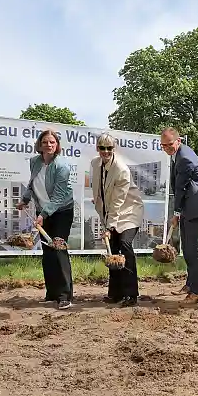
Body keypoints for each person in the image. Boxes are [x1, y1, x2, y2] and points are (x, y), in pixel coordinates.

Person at [17, 129, 75, 309]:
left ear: (57, 145)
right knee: (48, 253)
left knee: (58, 249)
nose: (48, 145)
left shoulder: (62, 166)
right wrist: (25, 199)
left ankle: (65, 295)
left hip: (62, 212)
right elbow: (32, 182)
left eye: (52, 142)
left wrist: (42, 215)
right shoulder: (35, 162)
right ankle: (52, 293)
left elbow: (59, 196)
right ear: (40, 145)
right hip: (43, 212)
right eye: (45, 142)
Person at [89, 132, 144, 305]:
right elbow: (99, 190)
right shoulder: (95, 163)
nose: (105, 151)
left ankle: (131, 294)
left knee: (125, 246)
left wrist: (109, 227)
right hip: (110, 212)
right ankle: (115, 293)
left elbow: (118, 201)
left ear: (114, 149)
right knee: (112, 249)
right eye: (102, 148)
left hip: (129, 212)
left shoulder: (121, 169)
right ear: (97, 149)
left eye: (109, 148)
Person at [161, 126, 198, 305]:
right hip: (189, 207)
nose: (167, 148)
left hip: (196, 208)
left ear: (178, 141)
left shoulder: (184, 159)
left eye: (169, 145)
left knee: (192, 250)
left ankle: (197, 291)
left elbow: (180, 189)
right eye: (163, 146)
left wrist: (176, 213)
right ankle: (190, 285)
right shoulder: (179, 154)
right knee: (187, 249)